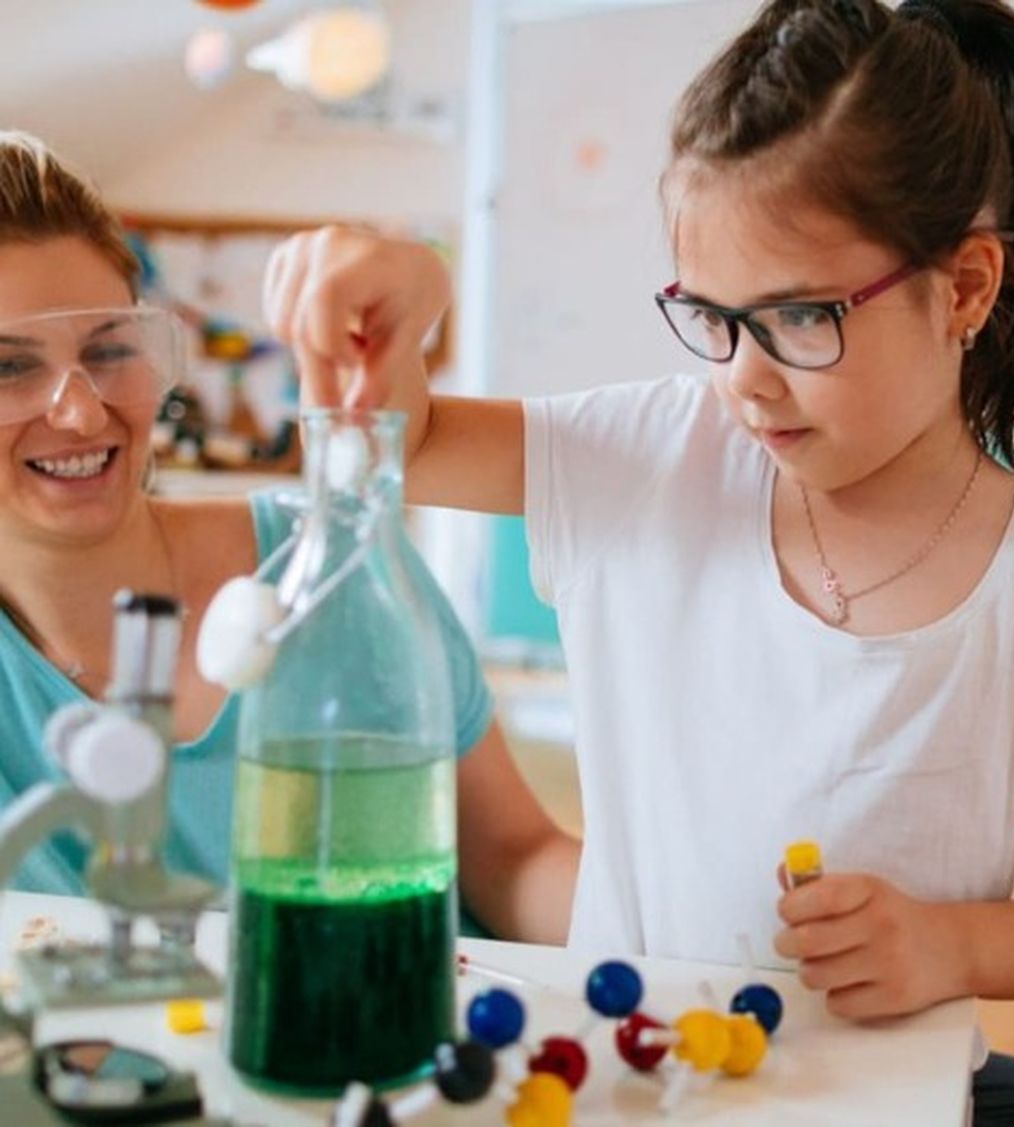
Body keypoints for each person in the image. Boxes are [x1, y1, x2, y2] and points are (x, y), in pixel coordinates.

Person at [266, 2, 1014, 1121]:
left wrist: (952, 942)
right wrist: (397, 288)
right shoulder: (650, 455)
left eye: (801, 316)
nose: (745, 376)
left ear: (969, 288)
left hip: (882, 1090)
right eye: (715, 314)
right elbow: (394, 433)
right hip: (625, 1075)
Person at [0, 130, 579, 944]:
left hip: (399, 1048)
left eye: (108, 352)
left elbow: (515, 859)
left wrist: (712, 923)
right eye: (8, 367)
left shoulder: (335, 565)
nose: (82, 411)